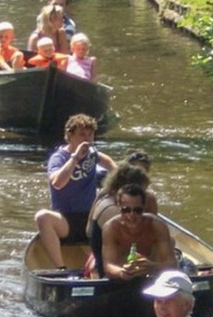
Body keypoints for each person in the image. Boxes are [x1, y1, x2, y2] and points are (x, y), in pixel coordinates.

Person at [34, 113, 116, 268]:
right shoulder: (59, 158)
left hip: (90, 218)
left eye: (90, 135)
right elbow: (58, 183)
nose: (87, 139)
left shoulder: (93, 154)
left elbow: (110, 163)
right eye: (82, 135)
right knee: (42, 217)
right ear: (70, 136)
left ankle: (114, 263)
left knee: (119, 207)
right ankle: (61, 268)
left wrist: (120, 179)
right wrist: (75, 157)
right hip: (66, 221)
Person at [86, 161, 158, 278]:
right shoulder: (113, 211)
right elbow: (136, 249)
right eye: (143, 191)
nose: (146, 195)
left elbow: (88, 231)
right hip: (118, 275)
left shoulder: (104, 197)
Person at [102, 184, 176, 281]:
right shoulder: (111, 228)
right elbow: (109, 265)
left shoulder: (157, 226)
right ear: (118, 207)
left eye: (137, 210)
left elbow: (171, 264)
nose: (131, 216)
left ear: (144, 207)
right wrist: (121, 272)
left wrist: (153, 267)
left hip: (154, 272)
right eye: (126, 210)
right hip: (123, 275)